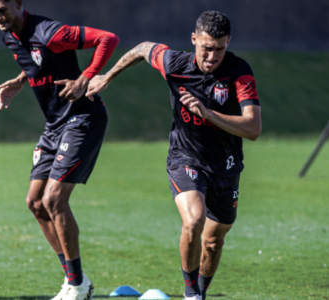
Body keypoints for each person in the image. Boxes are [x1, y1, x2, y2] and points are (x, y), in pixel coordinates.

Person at [87, 11, 261, 300]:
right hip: (185, 158)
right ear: (194, 40)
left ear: (228, 42)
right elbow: (143, 49)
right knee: (194, 220)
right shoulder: (174, 63)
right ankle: (190, 293)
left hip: (226, 167)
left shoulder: (239, 73)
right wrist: (108, 76)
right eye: (206, 48)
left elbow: (253, 128)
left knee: (214, 241)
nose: (212, 56)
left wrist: (208, 113)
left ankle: (200, 293)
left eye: (219, 49)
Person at [0, 1, 119, 300]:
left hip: (83, 117)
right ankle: (77, 280)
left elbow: (108, 39)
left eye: (3, 9)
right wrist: (22, 80)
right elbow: (36, 60)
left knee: (54, 199)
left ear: (19, 4)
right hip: (54, 125)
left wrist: (86, 77)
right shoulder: (9, 35)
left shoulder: (50, 32)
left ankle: (76, 286)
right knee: (35, 202)